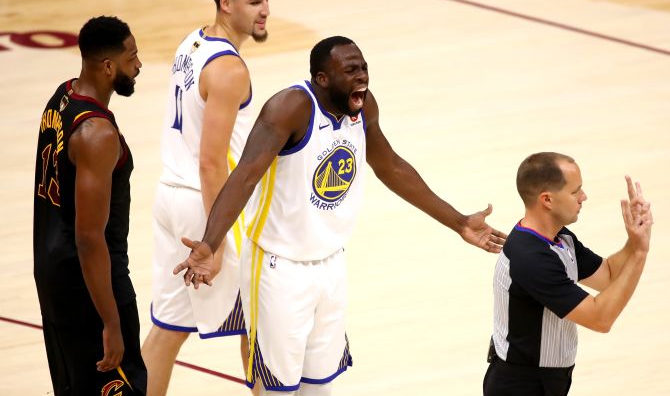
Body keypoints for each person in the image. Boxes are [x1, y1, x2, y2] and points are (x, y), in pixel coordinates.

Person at [173, 36, 506, 396]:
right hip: (277, 268)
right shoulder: (290, 108)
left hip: (331, 265)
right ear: (322, 79)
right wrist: (211, 241)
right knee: (278, 390)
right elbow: (245, 175)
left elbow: (390, 166)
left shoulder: (362, 107)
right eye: (350, 70)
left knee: (321, 387)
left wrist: (458, 222)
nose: (361, 76)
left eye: (363, 67)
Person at [140, 0, 270, 396]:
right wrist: (213, 240)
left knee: (165, 331)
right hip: (205, 208)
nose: (265, 9)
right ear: (226, 3)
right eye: (254, 2)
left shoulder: (192, 43)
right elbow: (212, 163)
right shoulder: (230, 70)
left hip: (169, 198)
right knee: (259, 324)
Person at [33, 16, 146, 395]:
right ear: (108, 66)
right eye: (132, 58)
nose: (139, 64)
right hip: (91, 285)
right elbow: (88, 237)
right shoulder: (97, 134)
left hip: (54, 273)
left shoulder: (61, 96)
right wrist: (111, 323)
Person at [483, 152, 652, 396]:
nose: (584, 197)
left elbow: (609, 276)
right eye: (575, 191)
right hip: (521, 385)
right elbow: (600, 318)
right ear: (547, 200)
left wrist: (636, 240)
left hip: (549, 380)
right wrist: (639, 253)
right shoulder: (531, 259)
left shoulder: (559, 237)